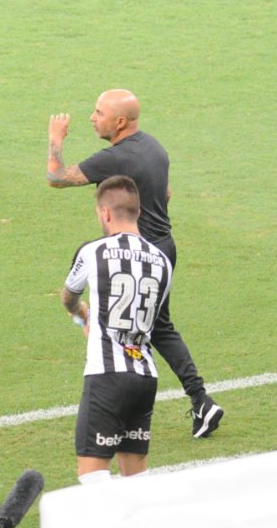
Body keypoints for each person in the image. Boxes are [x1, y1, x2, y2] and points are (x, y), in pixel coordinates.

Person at [47, 89, 224, 438]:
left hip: (135, 254)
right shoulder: (155, 147)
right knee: (158, 326)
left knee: (133, 327)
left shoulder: (112, 159)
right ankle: (199, 400)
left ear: (120, 122)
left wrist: (56, 140)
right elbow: (167, 193)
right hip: (164, 250)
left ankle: (180, 401)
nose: (92, 118)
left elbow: (56, 178)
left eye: (98, 113)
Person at [61, 175, 173, 483]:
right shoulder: (163, 261)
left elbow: (69, 296)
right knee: (135, 478)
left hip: (106, 376)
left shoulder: (93, 252)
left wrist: (82, 315)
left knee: (92, 476)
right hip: (145, 376)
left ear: (106, 213)